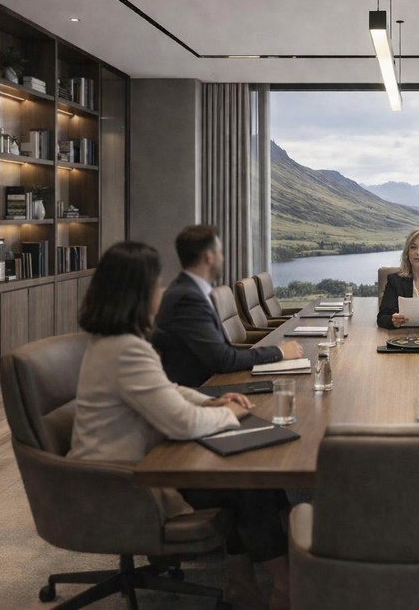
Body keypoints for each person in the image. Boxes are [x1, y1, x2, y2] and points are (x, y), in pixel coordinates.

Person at [69, 241, 291, 609]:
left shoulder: (113, 341)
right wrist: (227, 414)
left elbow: (168, 390)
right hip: (126, 482)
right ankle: (285, 585)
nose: (161, 291)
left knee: (250, 479)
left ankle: (244, 581)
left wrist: (211, 400)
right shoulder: (127, 349)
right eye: (155, 284)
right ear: (137, 293)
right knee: (249, 485)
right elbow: (183, 423)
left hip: (139, 465)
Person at [153, 225, 302, 387]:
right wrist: (279, 352)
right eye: (220, 253)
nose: (223, 259)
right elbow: (223, 359)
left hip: (212, 382)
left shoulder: (189, 290)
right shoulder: (187, 298)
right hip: (205, 388)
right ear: (209, 257)